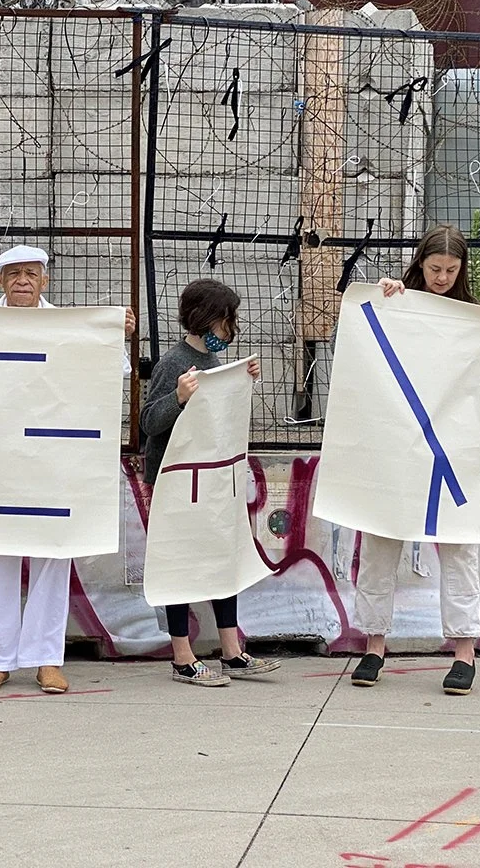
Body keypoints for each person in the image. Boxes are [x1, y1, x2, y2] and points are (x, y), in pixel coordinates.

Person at [0, 245, 135, 695]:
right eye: (13, 273)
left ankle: (45, 659)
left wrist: (117, 336)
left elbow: (103, 379)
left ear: (45, 281)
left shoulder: (67, 328)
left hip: (53, 460)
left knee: (53, 555)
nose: (23, 280)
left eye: (31, 274)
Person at [348, 224, 480, 697]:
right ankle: (373, 645)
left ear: (463, 270)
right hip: (399, 449)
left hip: (456, 451)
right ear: (420, 263)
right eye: (434, 267)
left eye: (451, 269)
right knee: (381, 543)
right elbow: (366, 350)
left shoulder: (474, 319)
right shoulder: (398, 305)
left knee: (459, 550)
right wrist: (387, 300)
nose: (442, 277)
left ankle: (464, 652)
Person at [139, 279, 281, 687]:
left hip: (212, 480)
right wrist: (178, 397)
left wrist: (242, 380)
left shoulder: (216, 364)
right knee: (179, 562)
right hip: (174, 481)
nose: (229, 329)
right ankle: (182, 657)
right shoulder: (173, 363)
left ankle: (231, 650)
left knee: (222, 556)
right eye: (225, 320)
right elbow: (150, 421)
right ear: (206, 320)